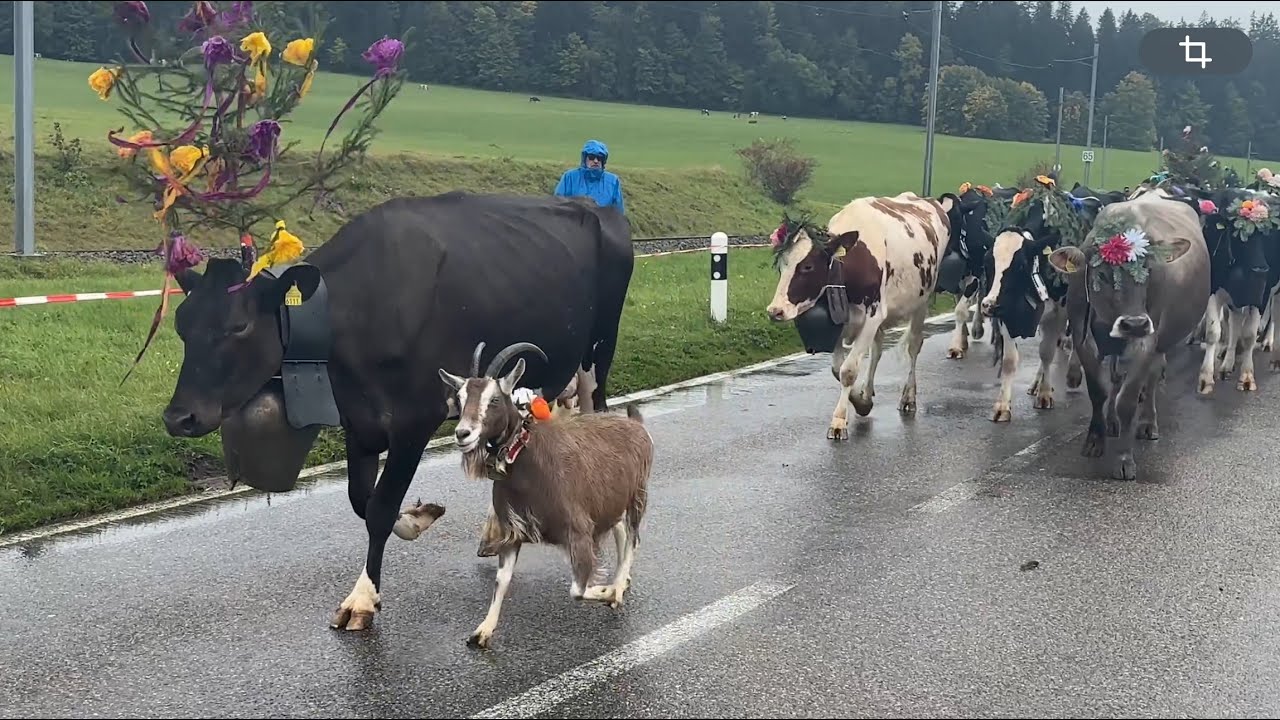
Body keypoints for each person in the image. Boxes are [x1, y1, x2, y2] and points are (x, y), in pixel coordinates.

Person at [553, 139, 625, 215]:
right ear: (585, 159)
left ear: (603, 161)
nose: (596, 161)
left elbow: (618, 212)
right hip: (573, 221)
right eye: (591, 157)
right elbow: (557, 204)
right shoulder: (569, 177)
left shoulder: (612, 181)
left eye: (599, 158)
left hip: (602, 222)